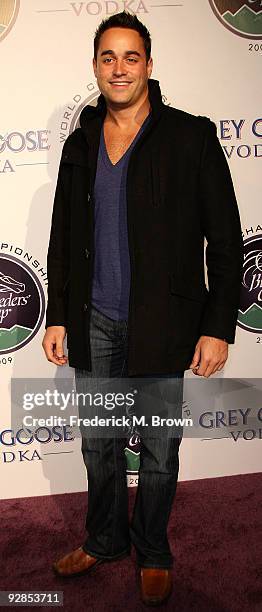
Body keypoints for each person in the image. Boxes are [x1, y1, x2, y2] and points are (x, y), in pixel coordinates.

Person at [42, 11, 243, 606]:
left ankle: (153, 549)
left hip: (163, 323)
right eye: (108, 57)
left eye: (131, 57)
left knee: (158, 448)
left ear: (149, 66)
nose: (119, 68)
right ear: (95, 66)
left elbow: (226, 240)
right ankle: (104, 538)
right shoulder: (81, 140)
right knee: (98, 443)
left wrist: (216, 326)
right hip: (95, 320)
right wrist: (57, 313)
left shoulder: (191, 136)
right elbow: (62, 235)